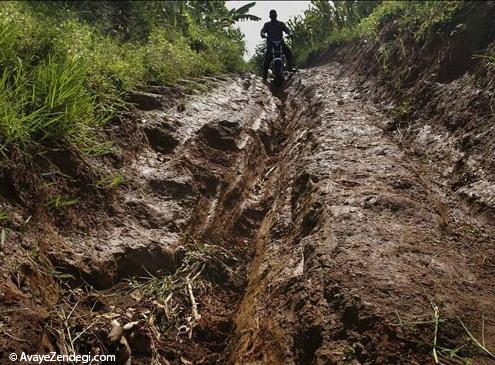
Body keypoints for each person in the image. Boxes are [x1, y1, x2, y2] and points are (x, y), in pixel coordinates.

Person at [260, 9, 295, 82]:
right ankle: (264, 76)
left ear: (276, 16)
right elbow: (263, 30)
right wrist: (263, 34)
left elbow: (287, 30)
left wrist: (290, 33)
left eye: (274, 15)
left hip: (280, 42)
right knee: (267, 59)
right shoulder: (267, 24)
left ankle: (290, 67)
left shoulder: (281, 24)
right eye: (272, 15)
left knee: (288, 52)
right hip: (271, 43)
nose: (273, 17)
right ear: (270, 16)